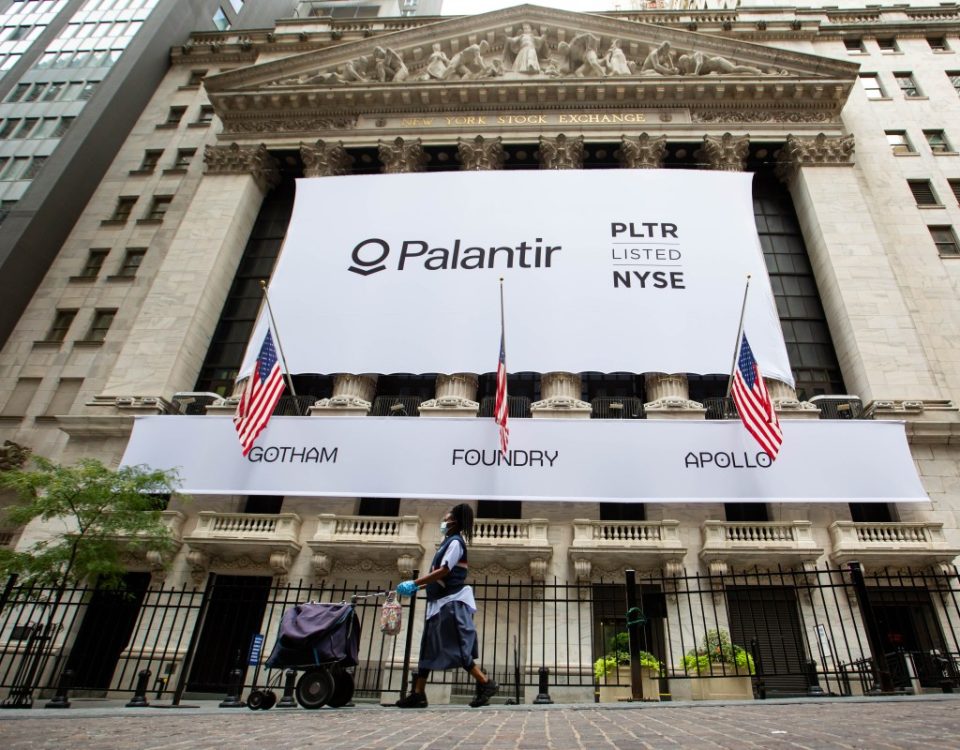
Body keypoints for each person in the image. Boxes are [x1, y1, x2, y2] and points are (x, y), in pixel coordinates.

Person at [394, 504, 498, 708]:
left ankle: (485, 682)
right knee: (427, 647)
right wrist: (420, 586)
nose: (443, 521)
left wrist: (415, 583)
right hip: (438, 602)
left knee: (456, 646)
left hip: (450, 603)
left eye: (446, 518)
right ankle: (418, 693)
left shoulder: (456, 543)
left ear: (454, 522)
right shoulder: (445, 544)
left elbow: (444, 571)